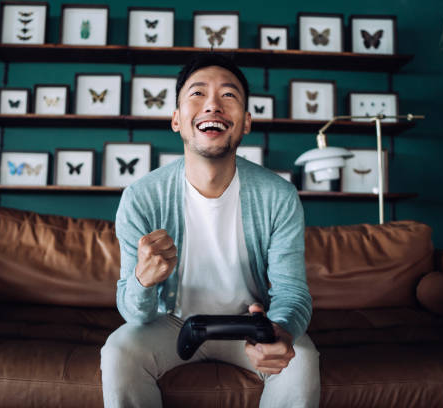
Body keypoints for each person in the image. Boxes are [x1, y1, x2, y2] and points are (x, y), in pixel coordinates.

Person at [101, 53, 320, 408]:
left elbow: (292, 291)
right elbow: (135, 314)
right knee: (119, 350)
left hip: (249, 327)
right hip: (171, 324)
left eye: (229, 96)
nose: (213, 105)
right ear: (176, 119)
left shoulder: (279, 196)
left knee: (303, 359)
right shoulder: (141, 197)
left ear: (246, 122)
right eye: (197, 94)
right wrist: (142, 281)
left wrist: (281, 330)